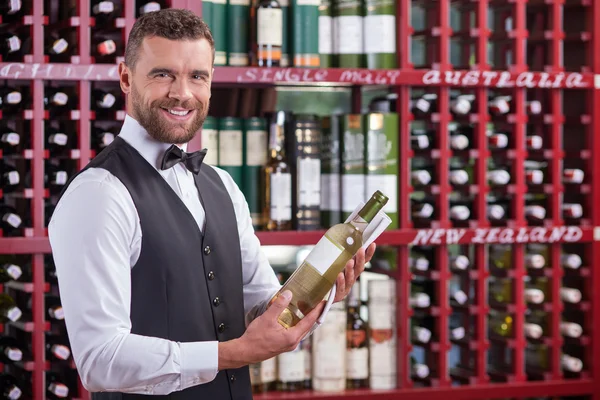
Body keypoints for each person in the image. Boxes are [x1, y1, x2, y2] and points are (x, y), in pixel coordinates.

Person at [48, 8, 376, 400]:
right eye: (163, 74)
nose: (182, 93)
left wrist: (318, 294)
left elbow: (260, 305)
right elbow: (100, 360)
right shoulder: (98, 195)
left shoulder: (222, 184)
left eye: (197, 76)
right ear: (125, 78)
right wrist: (233, 354)